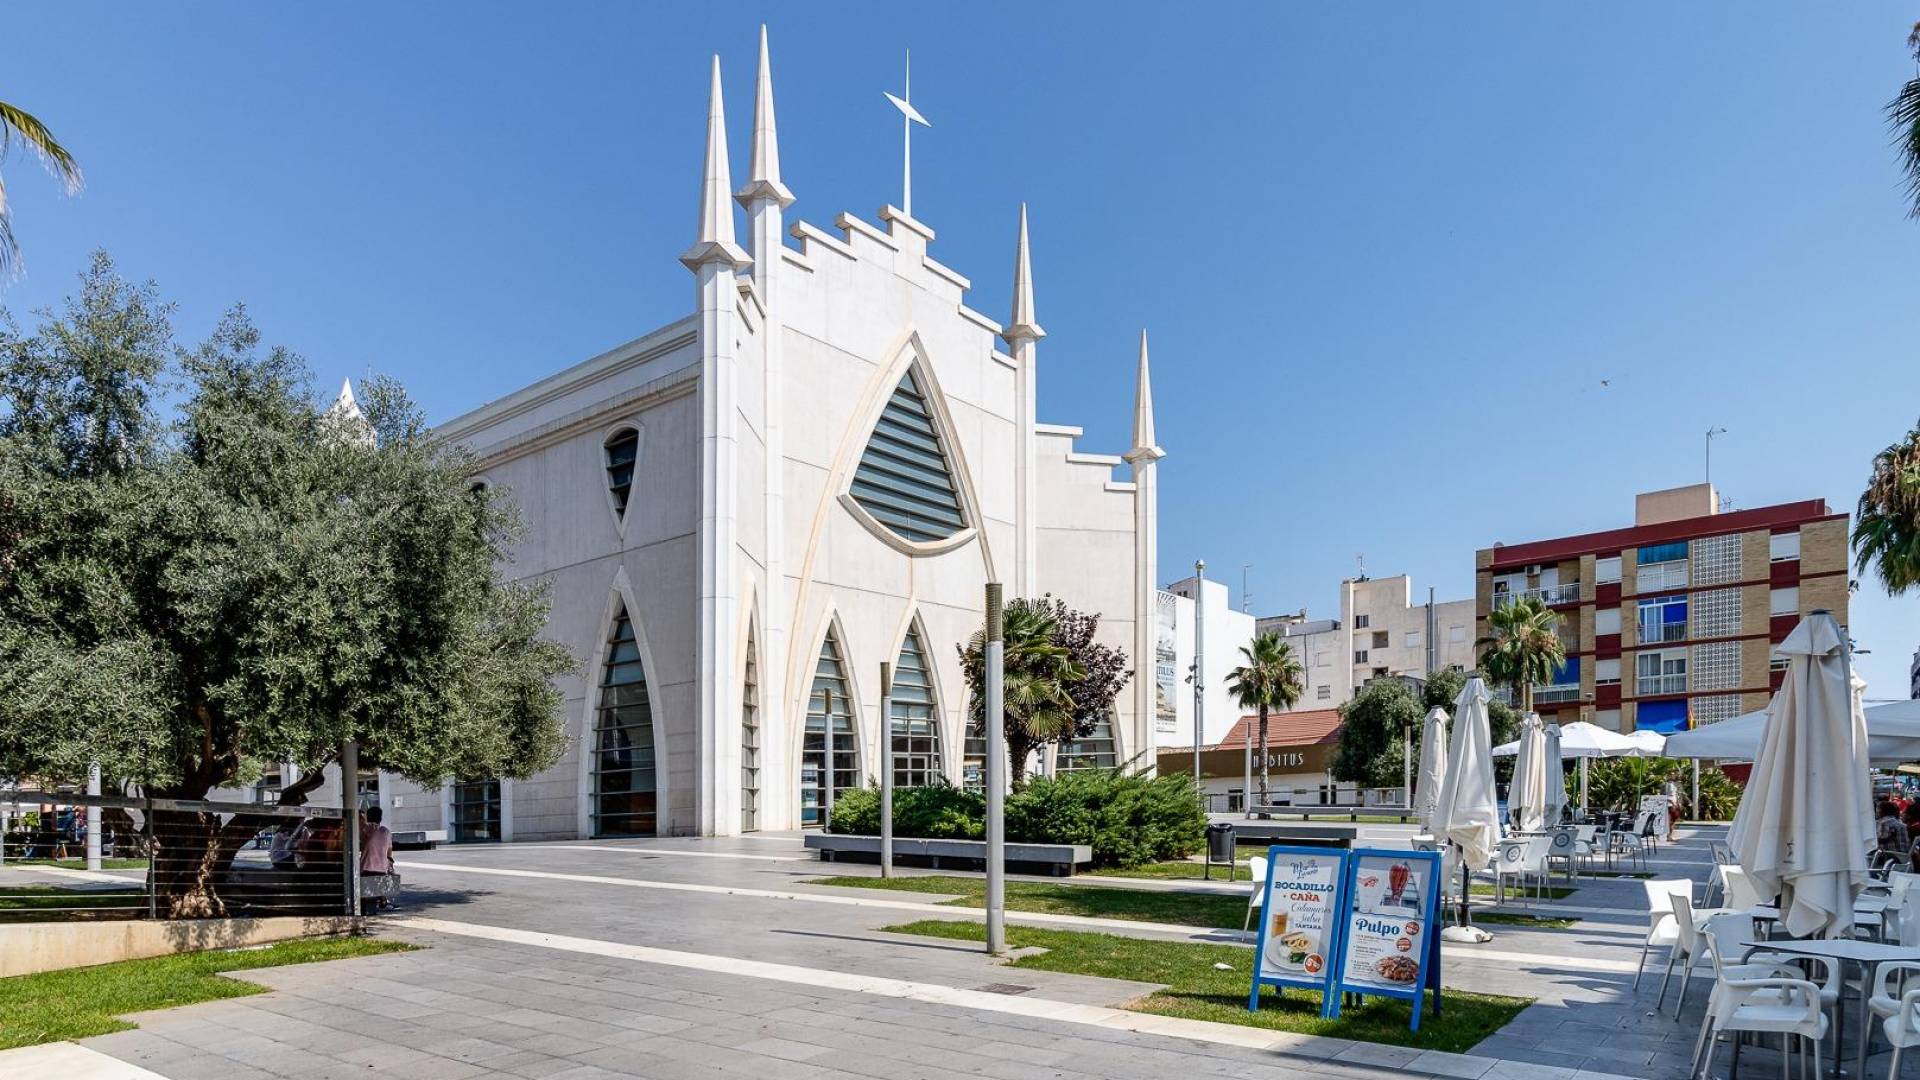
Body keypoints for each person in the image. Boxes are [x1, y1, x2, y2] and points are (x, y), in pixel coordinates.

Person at [360, 806, 396, 910]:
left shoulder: (366, 829)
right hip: (382, 868)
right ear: (380, 818)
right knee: (378, 882)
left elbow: (361, 844)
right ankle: (382, 899)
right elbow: (389, 851)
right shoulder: (386, 831)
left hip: (366, 867)